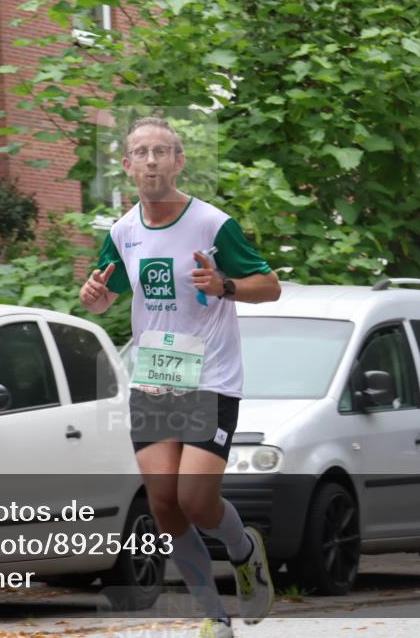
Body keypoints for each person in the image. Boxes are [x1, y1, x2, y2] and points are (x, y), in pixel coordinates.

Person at [79, 117, 281, 638]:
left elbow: (271, 285)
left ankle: (243, 550)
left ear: (178, 161)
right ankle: (214, 618)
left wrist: (225, 284)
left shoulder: (212, 225)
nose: (151, 161)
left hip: (210, 374)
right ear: (126, 166)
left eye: (162, 151)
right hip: (155, 376)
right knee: (164, 502)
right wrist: (97, 299)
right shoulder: (123, 232)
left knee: (195, 499)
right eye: (141, 153)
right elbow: (108, 289)